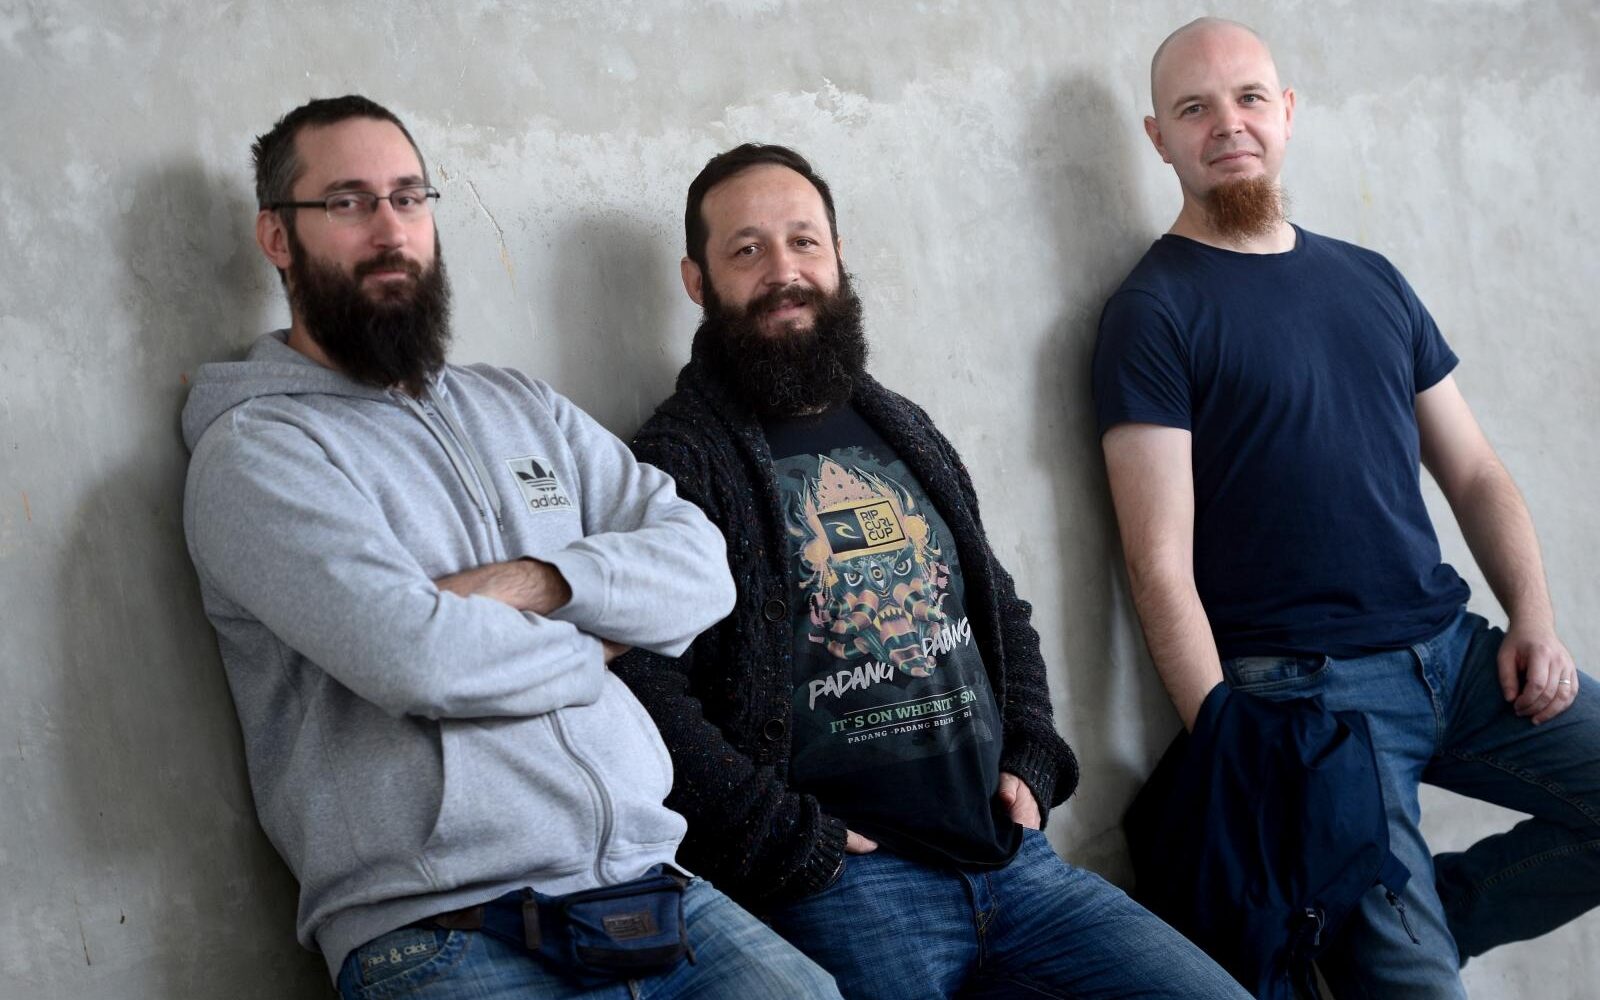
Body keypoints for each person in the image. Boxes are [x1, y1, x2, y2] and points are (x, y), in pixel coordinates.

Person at [182, 95, 842, 1000]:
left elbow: (701, 565)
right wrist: (610, 638)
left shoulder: (519, 406)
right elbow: (418, 658)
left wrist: (543, 583)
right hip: (444, 926)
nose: (390, 229)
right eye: (347, 202)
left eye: (409, 198)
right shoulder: (258, 453)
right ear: (277, 237)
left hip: (648, 883)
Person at [613, 142, 1249, 999]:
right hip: (849, 886)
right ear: (698, 281)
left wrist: (1032, 750)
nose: (784, 270)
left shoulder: (902, 425)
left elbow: (997, 606)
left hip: (1014, 859)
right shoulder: (676, 459)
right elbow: (642, 680)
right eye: (747, 249)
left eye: (804, 241)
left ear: (838, 257)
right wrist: (783, 835)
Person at [1095, 18, 1600, 998]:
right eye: (1194, 108)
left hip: (1456, 658)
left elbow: (1474, 473)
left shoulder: (1370, 278)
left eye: (1249, 98)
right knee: (1420, 990)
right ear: (1158, 137)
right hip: (1311, 695)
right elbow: (1157, 563)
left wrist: (1533, 618)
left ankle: (1409, 924)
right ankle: (1392, 946)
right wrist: (1233, 747)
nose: (1227, 123)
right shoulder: (1152, 312)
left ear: (1285, 113)